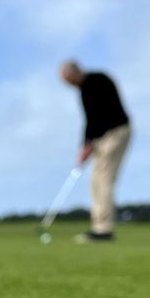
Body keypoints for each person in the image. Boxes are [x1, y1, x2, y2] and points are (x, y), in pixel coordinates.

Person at [60, 60, 132, 243]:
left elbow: (94, 117)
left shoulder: (95, 82)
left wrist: (86, 145)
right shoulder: (85, 89)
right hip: (102, 137)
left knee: (104, 180)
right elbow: (91, 120)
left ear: (76, 72)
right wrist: (87, 144)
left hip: (116, 132)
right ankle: (98, 225)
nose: (69, 84)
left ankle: (104, 229)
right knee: (95, 181)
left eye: (69, 80)